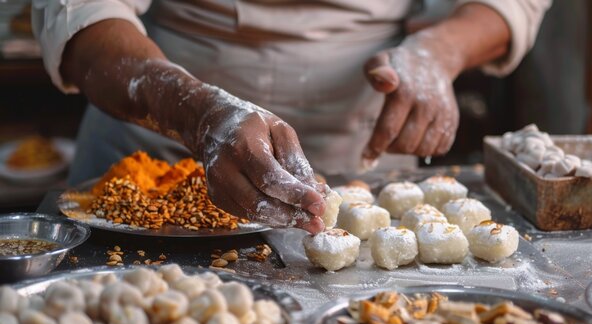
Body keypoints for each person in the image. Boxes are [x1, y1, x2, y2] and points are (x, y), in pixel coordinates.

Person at [33, 0, 550, 233]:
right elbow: (79, 10)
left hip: (361, 157)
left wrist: (438, 52)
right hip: (157, 132)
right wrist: (194, 114)